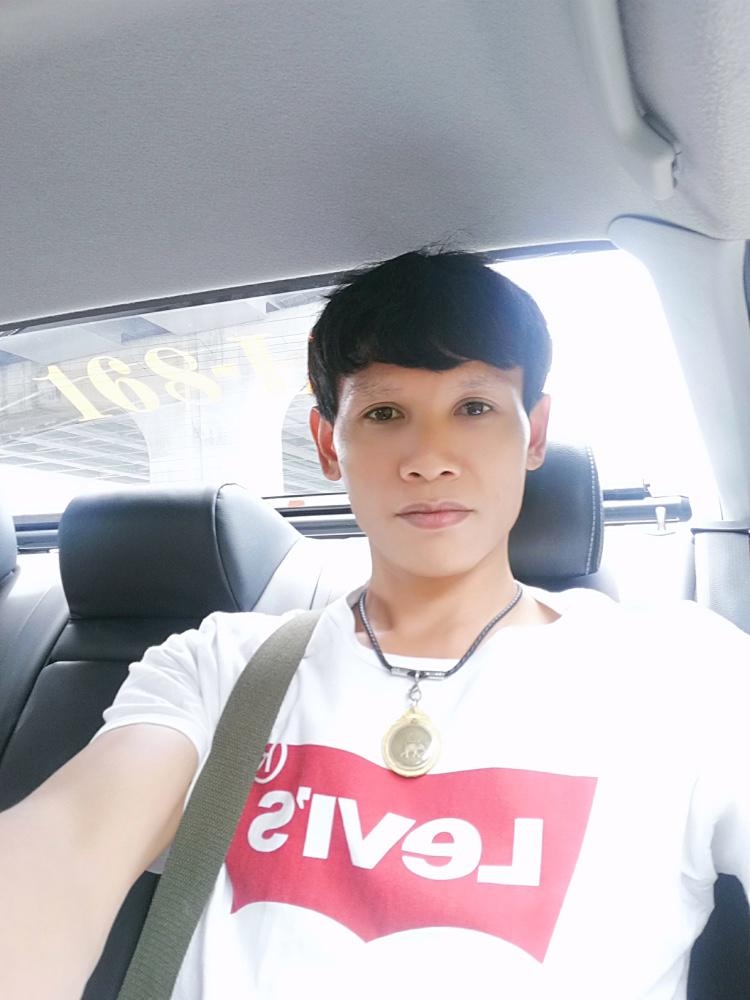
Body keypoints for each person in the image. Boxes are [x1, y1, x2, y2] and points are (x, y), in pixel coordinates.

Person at [2, 248, 750, 1000]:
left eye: (475, 407)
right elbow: (64, 849)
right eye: (385, 413)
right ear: (330, 443)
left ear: (534, 433)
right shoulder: (219, 668)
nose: (429, 458)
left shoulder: (686, 674)